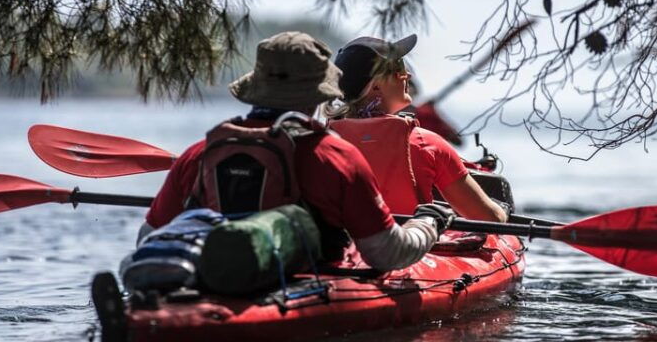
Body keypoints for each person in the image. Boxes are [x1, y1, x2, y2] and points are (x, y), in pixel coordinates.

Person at [142, 31, 453, 271]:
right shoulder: (335, 157)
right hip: (304, 293)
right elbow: (387, 253)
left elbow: (147, 239)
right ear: (318, 94)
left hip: (216, 282)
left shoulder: (199, 153)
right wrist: (426, 223)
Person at [327, 34, 508, 223]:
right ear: (377, 86)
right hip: (410, 246)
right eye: (399, 68)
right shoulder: (427, 144)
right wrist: (503, 209)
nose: (408, 75)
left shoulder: (319, 142)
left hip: (343, 247)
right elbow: (489, 218)